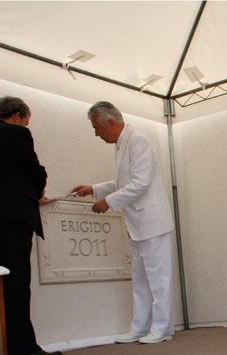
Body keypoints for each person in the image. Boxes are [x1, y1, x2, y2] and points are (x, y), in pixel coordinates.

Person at [71, 101, 175, 344]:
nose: (96, 134)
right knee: (140, 279)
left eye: (97, 128)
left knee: (159, 279)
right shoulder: (120, 145)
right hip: (138, 224)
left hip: (152, 223)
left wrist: (107, 201)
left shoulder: (138, 141)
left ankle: (162, 329)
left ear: (111, 123)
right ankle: (140, 327)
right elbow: (122, 182)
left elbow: (140, 184)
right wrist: (93, 189)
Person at [0, 96, 61, 355]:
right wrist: (36, 194)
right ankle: (25, 350)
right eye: (26, 121)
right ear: (16, 116)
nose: (25, 126)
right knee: (15, 285)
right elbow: (35, 171)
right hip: (12, 219)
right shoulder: (15, 133)